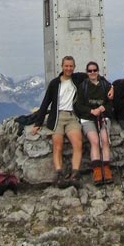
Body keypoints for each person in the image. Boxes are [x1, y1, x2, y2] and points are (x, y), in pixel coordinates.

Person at [31, 56, 86, 187]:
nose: (68, 68)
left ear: (74, 67)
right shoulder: (54, 83)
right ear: (62, 67)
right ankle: (59, 174)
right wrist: (38, 123)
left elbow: (94, 75)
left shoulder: (78, 79)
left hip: (72, 116)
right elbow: (45, 103)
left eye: (71, 66)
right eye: (66, 66)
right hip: (57, 117)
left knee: (77, 143)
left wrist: (113, 86)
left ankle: (75, 174)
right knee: (58, 145)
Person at [74, 61, 114, 185]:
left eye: (95, 70)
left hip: (103, 117)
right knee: (95, 141)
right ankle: (97, 170)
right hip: (88, 118)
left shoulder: (104, 85)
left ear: (98, 71)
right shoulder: (83, 86)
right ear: (87, 72)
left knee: (104, 140)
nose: (92, 72)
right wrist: (91, 111)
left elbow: (111, 102)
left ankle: (106, 169)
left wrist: (102, 109)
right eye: (90, 71)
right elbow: (78, 105)